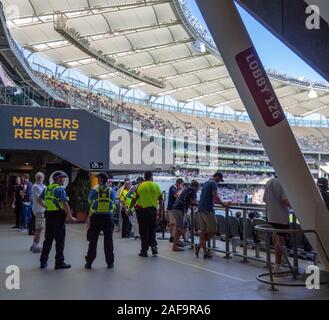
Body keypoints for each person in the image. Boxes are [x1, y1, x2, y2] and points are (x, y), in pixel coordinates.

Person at [38, 171, 76, 269]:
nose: (64, 179)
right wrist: (70, 217)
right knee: (60, 241)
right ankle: (59, 263)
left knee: (48, 240)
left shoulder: (47, 189)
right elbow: (65, 204)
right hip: (58, 217)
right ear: (58, 179)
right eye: (62, 178)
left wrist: (46, 206)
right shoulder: (60, 190)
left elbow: (38, 200)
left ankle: (43, 262)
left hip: (49, 215)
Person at [196, 172, 231, 259]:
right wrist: (223, 204)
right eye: (220, 180)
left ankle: (203, 250)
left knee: (203, 231)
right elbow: (215, 196)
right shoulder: (213, 183)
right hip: (207, 210)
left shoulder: (206, 182)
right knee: (214, 230)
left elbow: (210, 197)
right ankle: (200, 245)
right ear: (217, 177)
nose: (219, 182)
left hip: (200, 209)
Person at [85, 173, 116, 269]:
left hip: (96, 218)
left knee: (93, 241)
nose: (97, 179)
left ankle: (89, 262)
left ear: (101, 180)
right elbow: (113, 201)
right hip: (108, 218)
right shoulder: (111, 191)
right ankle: (110, 263)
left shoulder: (94, 190)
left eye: (98, 178)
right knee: (108, 241)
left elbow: (89, 200)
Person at [128, 171, 163, 257]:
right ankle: (154, 247)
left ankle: (144, 251)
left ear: (144, 177)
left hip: (142, 212)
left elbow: (134, 199)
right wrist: (160, 213)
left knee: (143, 231)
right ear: (151, 177)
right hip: (153, 211)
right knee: (152, 230)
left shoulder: (140, 186)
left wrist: (130, 209)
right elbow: (161, 200)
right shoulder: (157, 186)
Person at [263, 177, 291, 273]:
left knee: (276, 242)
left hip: (271, 216)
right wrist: (294, 205)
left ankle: (278, 263)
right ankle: (277, 266)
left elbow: (264, 199)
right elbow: (285, 200)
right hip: (281, 218)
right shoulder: (284, 182)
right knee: (279, 243)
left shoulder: (269, 181)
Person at [172, 180, 199, 251]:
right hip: (180, 210)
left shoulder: (186, 189)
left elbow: (188, 201)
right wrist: (197, 206)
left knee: (182, 227)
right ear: (195, 187)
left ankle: (176, 244)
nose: (198, 190)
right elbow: (194, 202)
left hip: (175, 208)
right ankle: (178, 244)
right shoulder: (192, 190)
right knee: (180, 229)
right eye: (198, 189)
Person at [30, 172, 46, 253]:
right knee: (39, 229)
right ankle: (35, 247)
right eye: (38, 177)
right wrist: (48, 207)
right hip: (39, 211)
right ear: (35, 178)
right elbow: (40, 200)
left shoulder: (43, 186)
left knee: (39, 229)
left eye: (41, 177)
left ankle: (33, 245)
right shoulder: (35, 187)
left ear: (43, 178)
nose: (40, 179)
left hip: (42, 210)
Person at [167, 178, 184, 243]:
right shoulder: (172, 187)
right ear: (178, 183)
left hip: (176, 208)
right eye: (181, 184)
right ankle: (172, 236)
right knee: (172, 223)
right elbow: (176, 195)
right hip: (171, 207)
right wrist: (181, 189)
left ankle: (174, 236)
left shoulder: (177, 188)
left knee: (175, 223)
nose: (182, 186)